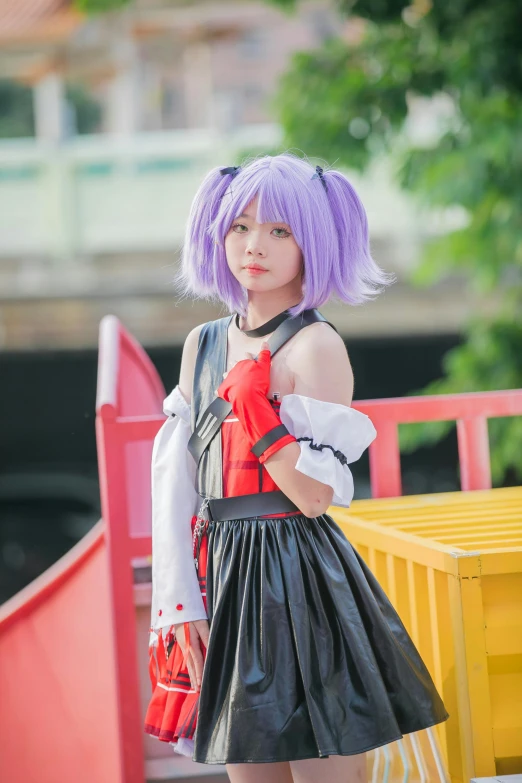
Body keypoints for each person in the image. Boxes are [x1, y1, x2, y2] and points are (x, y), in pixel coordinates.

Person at [144, 154, 448, 783]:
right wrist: (178, 604)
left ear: (315, 242)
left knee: (321, 763)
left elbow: (314, 495)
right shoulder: (201, 344)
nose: (255, 247)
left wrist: (259, 413)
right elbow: (176, 476)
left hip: (296, 574)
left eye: (280, 231)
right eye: (240, 227)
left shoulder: (316, 346)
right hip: (221, 567)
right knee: (247, 768)